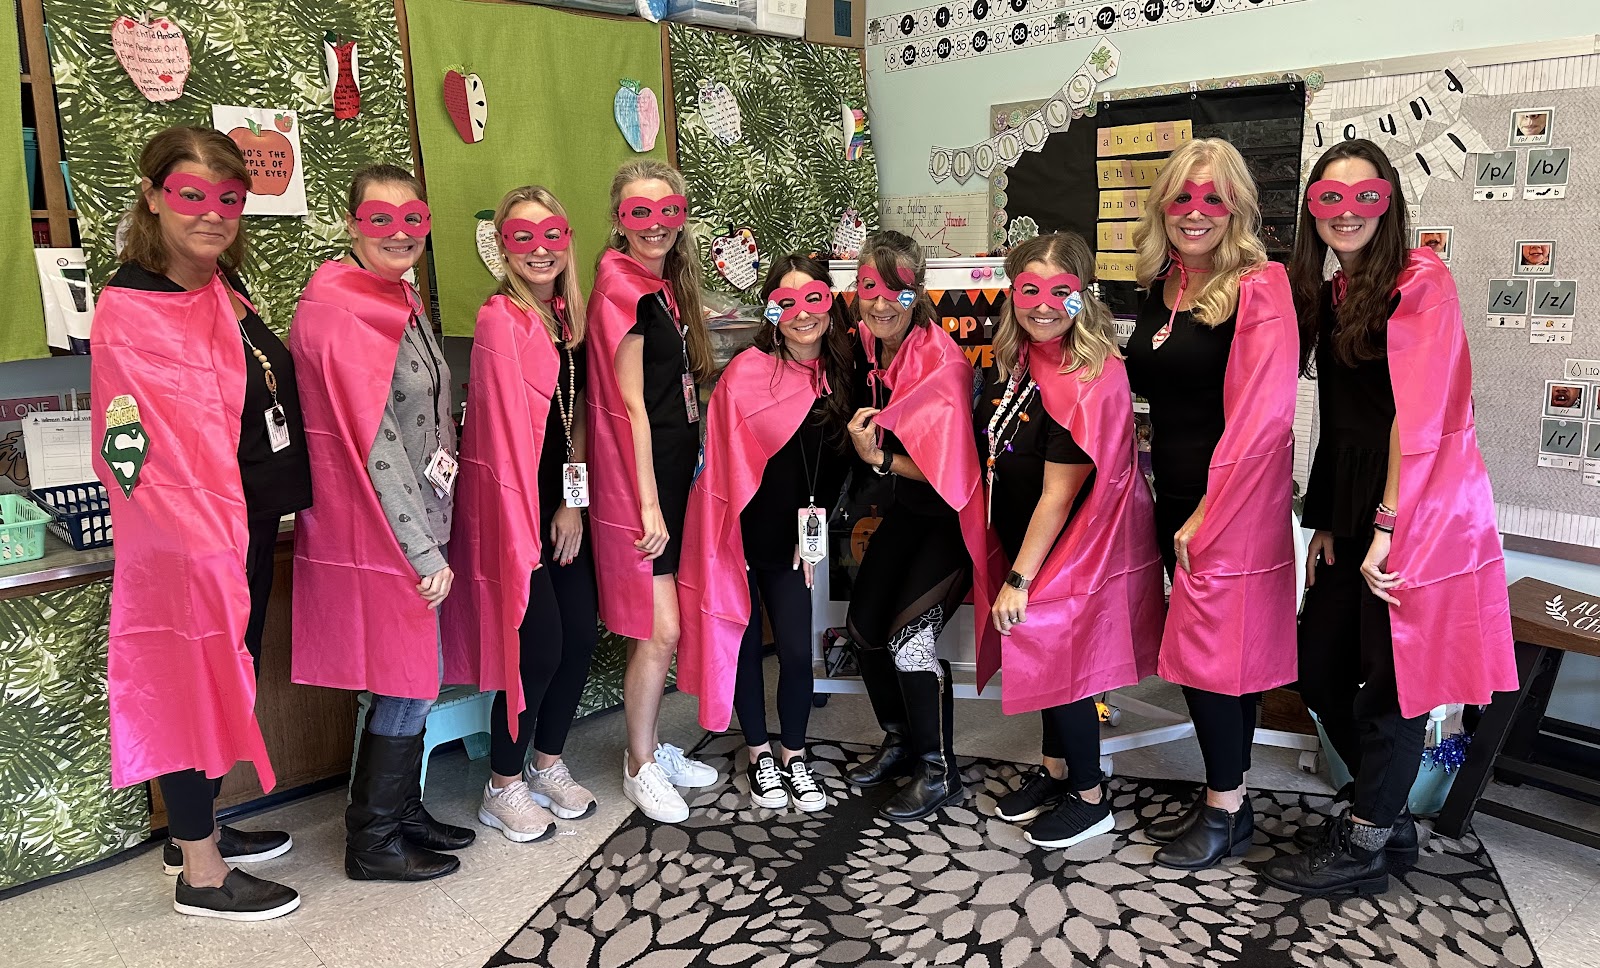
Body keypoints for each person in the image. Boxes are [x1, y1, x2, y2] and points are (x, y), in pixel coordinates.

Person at [1268, 139, 1517, 895]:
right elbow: (1339, 421)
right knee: (1318, 669)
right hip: (1351, 508)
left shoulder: (1422, 279)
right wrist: (1327, 527)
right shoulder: (1336, 291)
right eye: (1328, 199)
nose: (1346, 213)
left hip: (1414, 507)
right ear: (1312, 210)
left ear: (1390, 201)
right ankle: (1385, 813)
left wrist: (1386, 524)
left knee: (1392, 681)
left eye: (1363, 196)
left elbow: (1420, 414)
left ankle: (1371, 836)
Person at [91, 126, 307, 921]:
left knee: (226, 680)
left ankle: (197, 830)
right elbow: (128, 445)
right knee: (191, 683)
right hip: (188, 543)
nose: (213, 214)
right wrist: (195, 539)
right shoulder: (135, 307)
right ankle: (202, 876)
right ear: (153, 197)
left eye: (229, 200)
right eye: (192, 196)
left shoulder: (221, 289)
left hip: (240, 526)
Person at [289, 164, 474, 881]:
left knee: (412, 677)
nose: (400, 233)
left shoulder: (392, 295)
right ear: (350, 223)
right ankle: (372, 842)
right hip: (390, 531)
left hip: (419, 517)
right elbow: (373, 448)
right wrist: (422, 551)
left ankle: (400, 813)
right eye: (380, 219)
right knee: (405, 681)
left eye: (413, 219)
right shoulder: (343, 310)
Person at [1123, 138, 1299, 870]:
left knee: (1209, 658)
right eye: (1182, 198)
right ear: (1163, 207)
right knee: (1213, 653)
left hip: (1232, 500)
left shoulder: (1262, 286)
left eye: (1213, 199)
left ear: (1236, 209)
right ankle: (1234, 795)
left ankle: (1225, 808)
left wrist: (1208, 511)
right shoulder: (1159, 288)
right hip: (1177, 489)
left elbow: (1265, 416)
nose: (1195, 214)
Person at [976, 233, 1166, 848]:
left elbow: (1060, 494)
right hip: (1030, 533)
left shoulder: (1088, 374)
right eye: (1029, 289)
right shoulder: (1027, 359)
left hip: (1072, 543)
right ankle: (1055, 772)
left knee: (1064, 660)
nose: (1042, 304)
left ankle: (1089, 795)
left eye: (1060, 291)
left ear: (1083, 296)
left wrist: (1020, 577)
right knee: (1047, 660)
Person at [443, 186, 602, 842]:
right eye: (523, 238)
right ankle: (502, 785)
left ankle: (547, 763)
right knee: (535, 648)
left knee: (579, 637)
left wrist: (573, 504)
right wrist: (531, 519)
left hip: (562, 506)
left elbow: (582, 420)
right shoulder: (498, 320)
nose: (541, 250)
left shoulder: (572, 322)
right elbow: (496, 444)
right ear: (505, 248)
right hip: (514, 513)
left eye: (552, 234)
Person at [677, 255, 856, 812]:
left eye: (813, 300)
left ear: (830, 303)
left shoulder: (843, 374)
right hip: (741, 535)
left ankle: (795, 753)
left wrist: (816, 535)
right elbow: (723, 465)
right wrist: (725, 536)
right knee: (747, 647)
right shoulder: (745, 373)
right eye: (786, 302)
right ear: (771, 309)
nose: (801, 315)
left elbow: (842, 466)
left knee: (799, 653)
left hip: (799, 539)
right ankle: (758, 753)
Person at [843, 230, 996, 822]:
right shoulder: (875, 341)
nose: (880, 303)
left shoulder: (940, 362)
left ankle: (938, 771)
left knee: (911, 644)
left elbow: (949, 472)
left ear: (919, 292)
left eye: (897, 290)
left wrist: (876, 457)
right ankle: (901, 741)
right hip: (908, 510)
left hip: (952, 514)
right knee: (862, 627)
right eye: (869, 288)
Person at [587, 160, 719, 823]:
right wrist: (647, 505)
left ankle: (651, 747)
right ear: (619, 219)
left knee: (666, 628)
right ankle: (639, 764)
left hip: (675, 477)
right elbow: (628, 408)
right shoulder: (622, 289)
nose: (657, 225)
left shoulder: (658, 285)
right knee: (660, 630)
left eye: (669, 211)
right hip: (650, 488)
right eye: (641, 213)